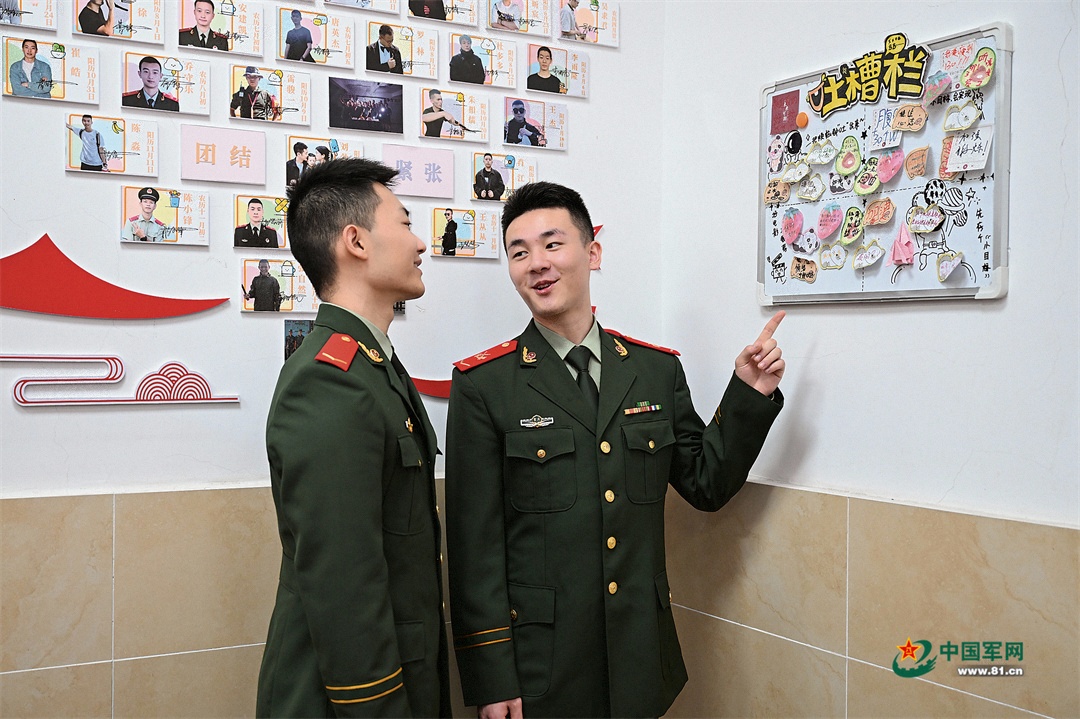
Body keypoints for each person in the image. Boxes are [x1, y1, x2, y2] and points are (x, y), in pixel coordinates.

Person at [445, 182, 787, 718]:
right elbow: (474, 552)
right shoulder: (485, 386)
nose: (537, 264)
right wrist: (491, 678)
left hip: (639, 657)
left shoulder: (654, 371)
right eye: (519, 252)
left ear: (592, 252)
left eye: (552, 244)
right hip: (540, 668)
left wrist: (749, 394)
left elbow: (707, 483)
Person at [256, 158, 449, 717]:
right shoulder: (329, 380)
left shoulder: (372, 365)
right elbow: (343, 584)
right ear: (356, 242)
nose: (420, 243)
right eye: (405, 223)